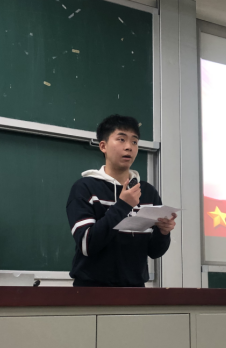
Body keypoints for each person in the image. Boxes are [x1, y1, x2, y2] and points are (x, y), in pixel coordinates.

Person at [66, 115, 177, 287]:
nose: (129, 147)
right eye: (121, 139)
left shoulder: (147, 192)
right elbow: (87, 244)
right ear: (103, 146)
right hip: (91, 290)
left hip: (135, 290)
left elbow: (154, 252)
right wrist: (123, 205)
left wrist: (163, 232)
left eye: (134, 141)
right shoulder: (85, 188)